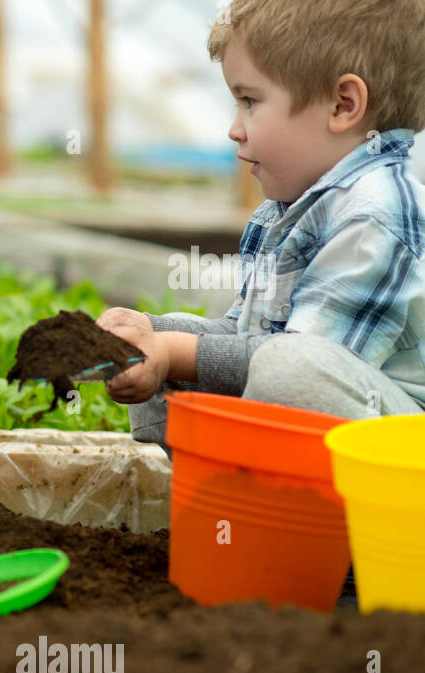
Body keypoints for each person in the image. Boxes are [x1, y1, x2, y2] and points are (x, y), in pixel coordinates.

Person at [97, 0, 425, 454]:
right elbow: (248, 341)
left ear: (342, 104)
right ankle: (225, 498)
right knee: (171, 336)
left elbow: (305, 364)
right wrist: (150, 336)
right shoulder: (288, 211)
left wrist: (174, 351)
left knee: (285, 371)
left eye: (250, 101)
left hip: (399, 455)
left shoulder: (376, 212)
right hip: (332, 435)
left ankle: (286, 508)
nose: (234, 129)